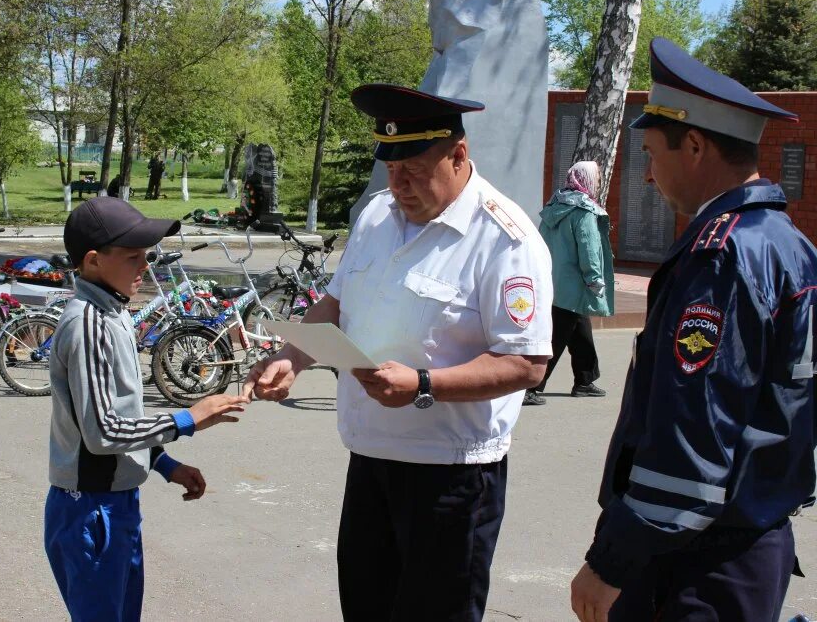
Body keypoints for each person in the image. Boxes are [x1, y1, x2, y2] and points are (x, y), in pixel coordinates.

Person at [243, 83, 554, 621]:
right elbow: (336, 304)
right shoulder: (376, 218)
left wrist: (424, 385)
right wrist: (291, 357)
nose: (399, 184)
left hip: (451, 476)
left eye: (413, 169)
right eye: (390, 169)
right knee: (366, 609)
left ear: (459, 155)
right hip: (371, 461)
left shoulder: (505, 238)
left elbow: (526, 362)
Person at [570, 37, 817, 621]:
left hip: (692, 560)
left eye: (652, 153)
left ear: (697, 144)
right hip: (749, 540)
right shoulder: (789, 245)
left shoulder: (720, 256)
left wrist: (612, 561)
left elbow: (694, 432)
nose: (649, 177)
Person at [44, 197, 247, 622]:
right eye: (134, 256)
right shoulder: (90, 325)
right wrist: (189, 418)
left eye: (148, 256)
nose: (145, 267)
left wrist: (165, 463)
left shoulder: (111, 311)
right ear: (95, 261)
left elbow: (121, 415)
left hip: (114, 503)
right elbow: (103, 433)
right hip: (90, 511)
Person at [524, 160, 614, 406]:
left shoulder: (554, 206)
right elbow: (589, 248)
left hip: (553, 281)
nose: (600, 181)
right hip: (575, 284)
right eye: (597, 177)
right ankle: (531, 386)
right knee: (557, 334)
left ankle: (585, 379)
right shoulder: (584, 211)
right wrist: (594, 278)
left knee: (580, 329)